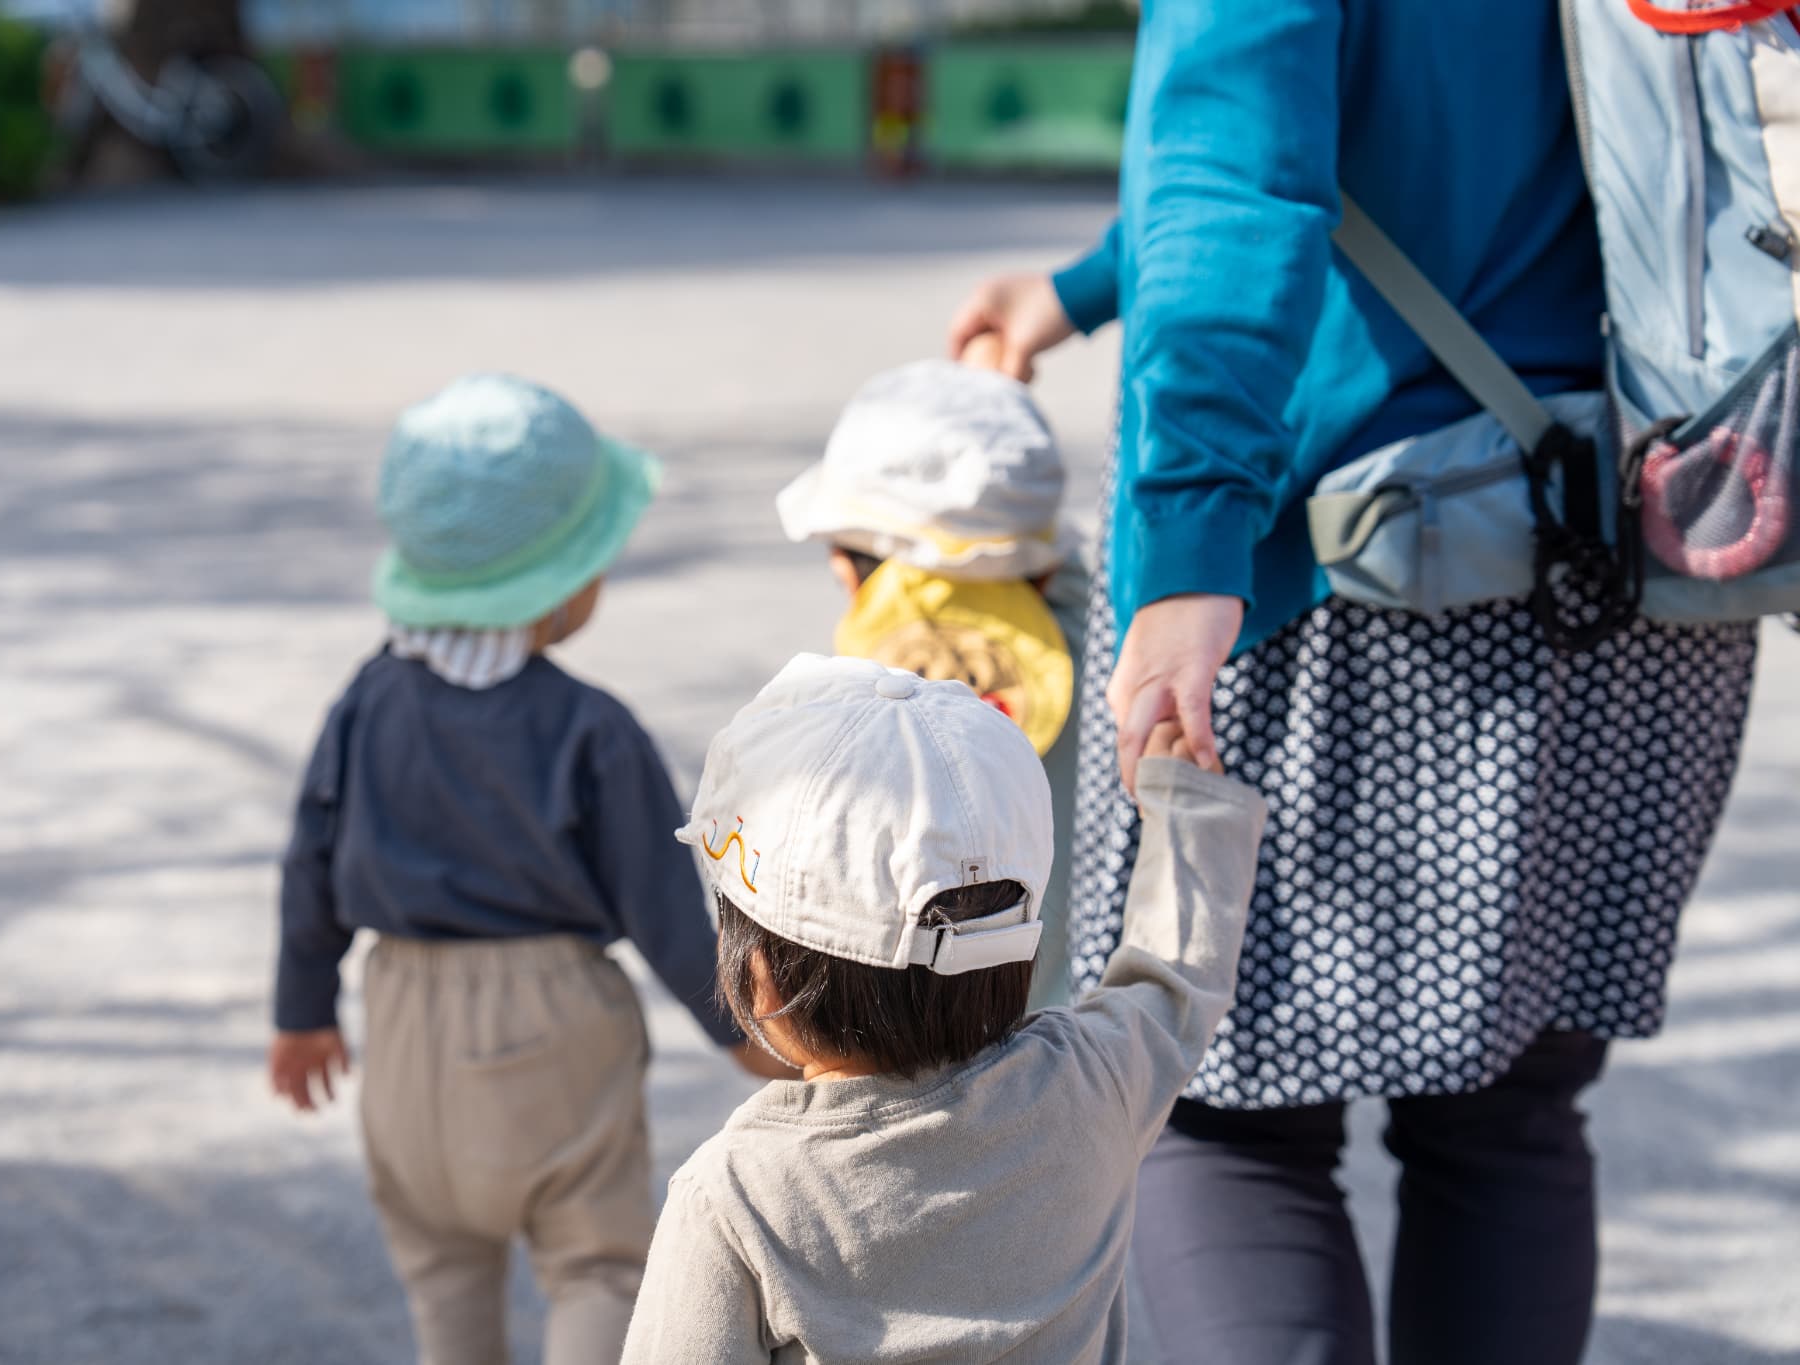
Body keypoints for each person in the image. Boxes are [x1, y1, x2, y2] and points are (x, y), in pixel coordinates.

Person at [948, 6, 1760, 1364]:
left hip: (1337, 568)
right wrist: (1088, 283)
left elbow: (1238, 163)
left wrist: (1190, 536)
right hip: (1643, 543)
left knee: (1216, 1105)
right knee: (1509, 1113)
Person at [266, 374, 789, 1365]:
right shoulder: (588, 731)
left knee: (442, 1267)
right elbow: (666, 912)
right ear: (555, 583)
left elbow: (311, 859)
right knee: (596, 1267)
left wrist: (301, 1011)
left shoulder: (366, 701)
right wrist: (748, 1039)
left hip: (402, 1019)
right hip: (551, 1028)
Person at [619, 654, 1267, 1364]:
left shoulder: (738, 1197)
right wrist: (1189, 808)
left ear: (760, 978)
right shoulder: (1089, 1087)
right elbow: (1176, 977)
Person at [774, 349, 1089, 1007]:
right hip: (1094, 1059)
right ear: (1043, 569)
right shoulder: (1116, 640)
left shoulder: (842, 711)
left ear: (842, 562)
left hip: (925, 1054)